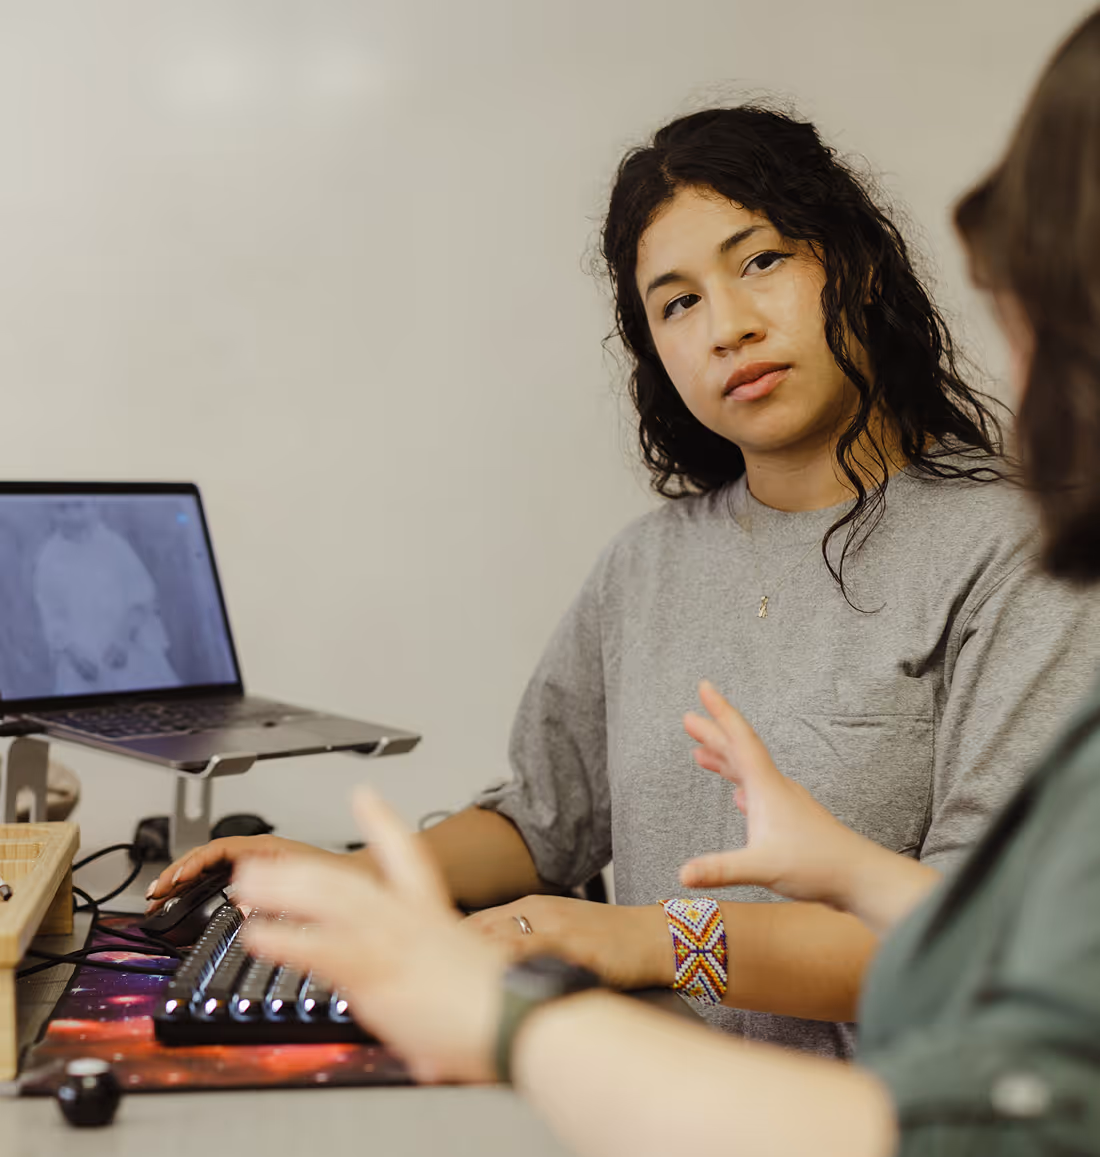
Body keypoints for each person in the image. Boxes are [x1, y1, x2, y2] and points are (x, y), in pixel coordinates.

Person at [233, 12, 1100, 1153]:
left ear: (858, 266)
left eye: (762, 261)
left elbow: (966, 947)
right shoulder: (645, 562)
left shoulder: (1022, 550)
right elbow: (546, 819)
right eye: (677, 301)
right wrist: (350, 880)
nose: (728, 326)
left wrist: (644, 937)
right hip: (634, 1108)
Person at [33, 500, 179, 695]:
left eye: (79, 506)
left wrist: (123, 640)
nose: (72, 516)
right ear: (51, 512)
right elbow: (51, 613)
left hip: (127, 642)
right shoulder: (49, 558)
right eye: (62, 508)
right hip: (84, 655)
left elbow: (141, 597)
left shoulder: (114, 546)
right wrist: (74, 655)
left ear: (95, 507)